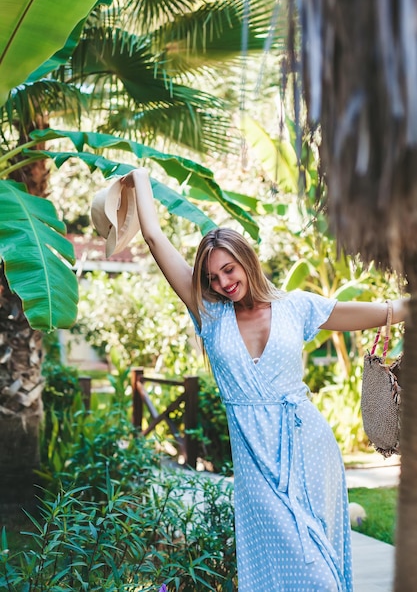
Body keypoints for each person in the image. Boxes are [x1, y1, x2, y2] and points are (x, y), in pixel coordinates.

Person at [120, 167, 408, 592]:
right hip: (255, 467)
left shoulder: (298, 307)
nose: (223, 283)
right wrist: (141, 178)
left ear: (247, 261)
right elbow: (155, 239)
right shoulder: (210, 314)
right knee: (294, 572)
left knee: (320, 571)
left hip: (310, 449)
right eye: (213, 277)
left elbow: (382, 310)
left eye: (229, 270)